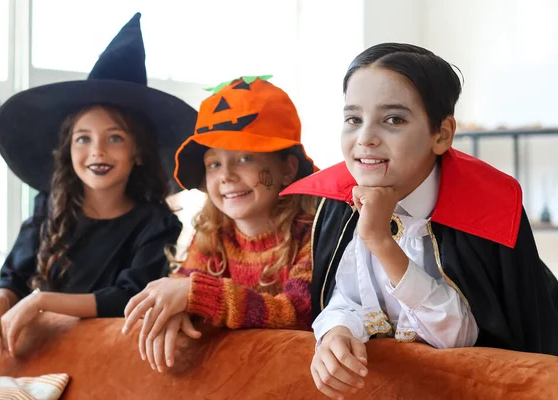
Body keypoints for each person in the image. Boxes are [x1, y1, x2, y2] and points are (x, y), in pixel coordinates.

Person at [281, 43, 558, 398]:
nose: (365, 138)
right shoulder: (336, 204)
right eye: (353, 119)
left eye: (393, 119)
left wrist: (381, 242)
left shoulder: (488, 209)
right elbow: (345, 298)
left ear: (441, 134)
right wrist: (336, 330)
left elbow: (461, 338)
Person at [0, 13, 197, 372]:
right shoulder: (49, 207)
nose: (97, 151)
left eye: (115, 137)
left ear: (138, 152)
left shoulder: (157, 223)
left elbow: (128, 297)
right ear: (67, 149)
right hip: (38, 360)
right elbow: (12, 276)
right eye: (83, 138)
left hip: (107, 365)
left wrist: (44, 301)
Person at [121, 76, 318, 373]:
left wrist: (196, 294)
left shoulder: (313, 233)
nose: (226, 175)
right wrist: (179, 307)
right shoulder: (213, 236)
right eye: (214, 163)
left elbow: (299, 313)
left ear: (288, 169)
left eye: (245, 158)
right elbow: (184, 285)